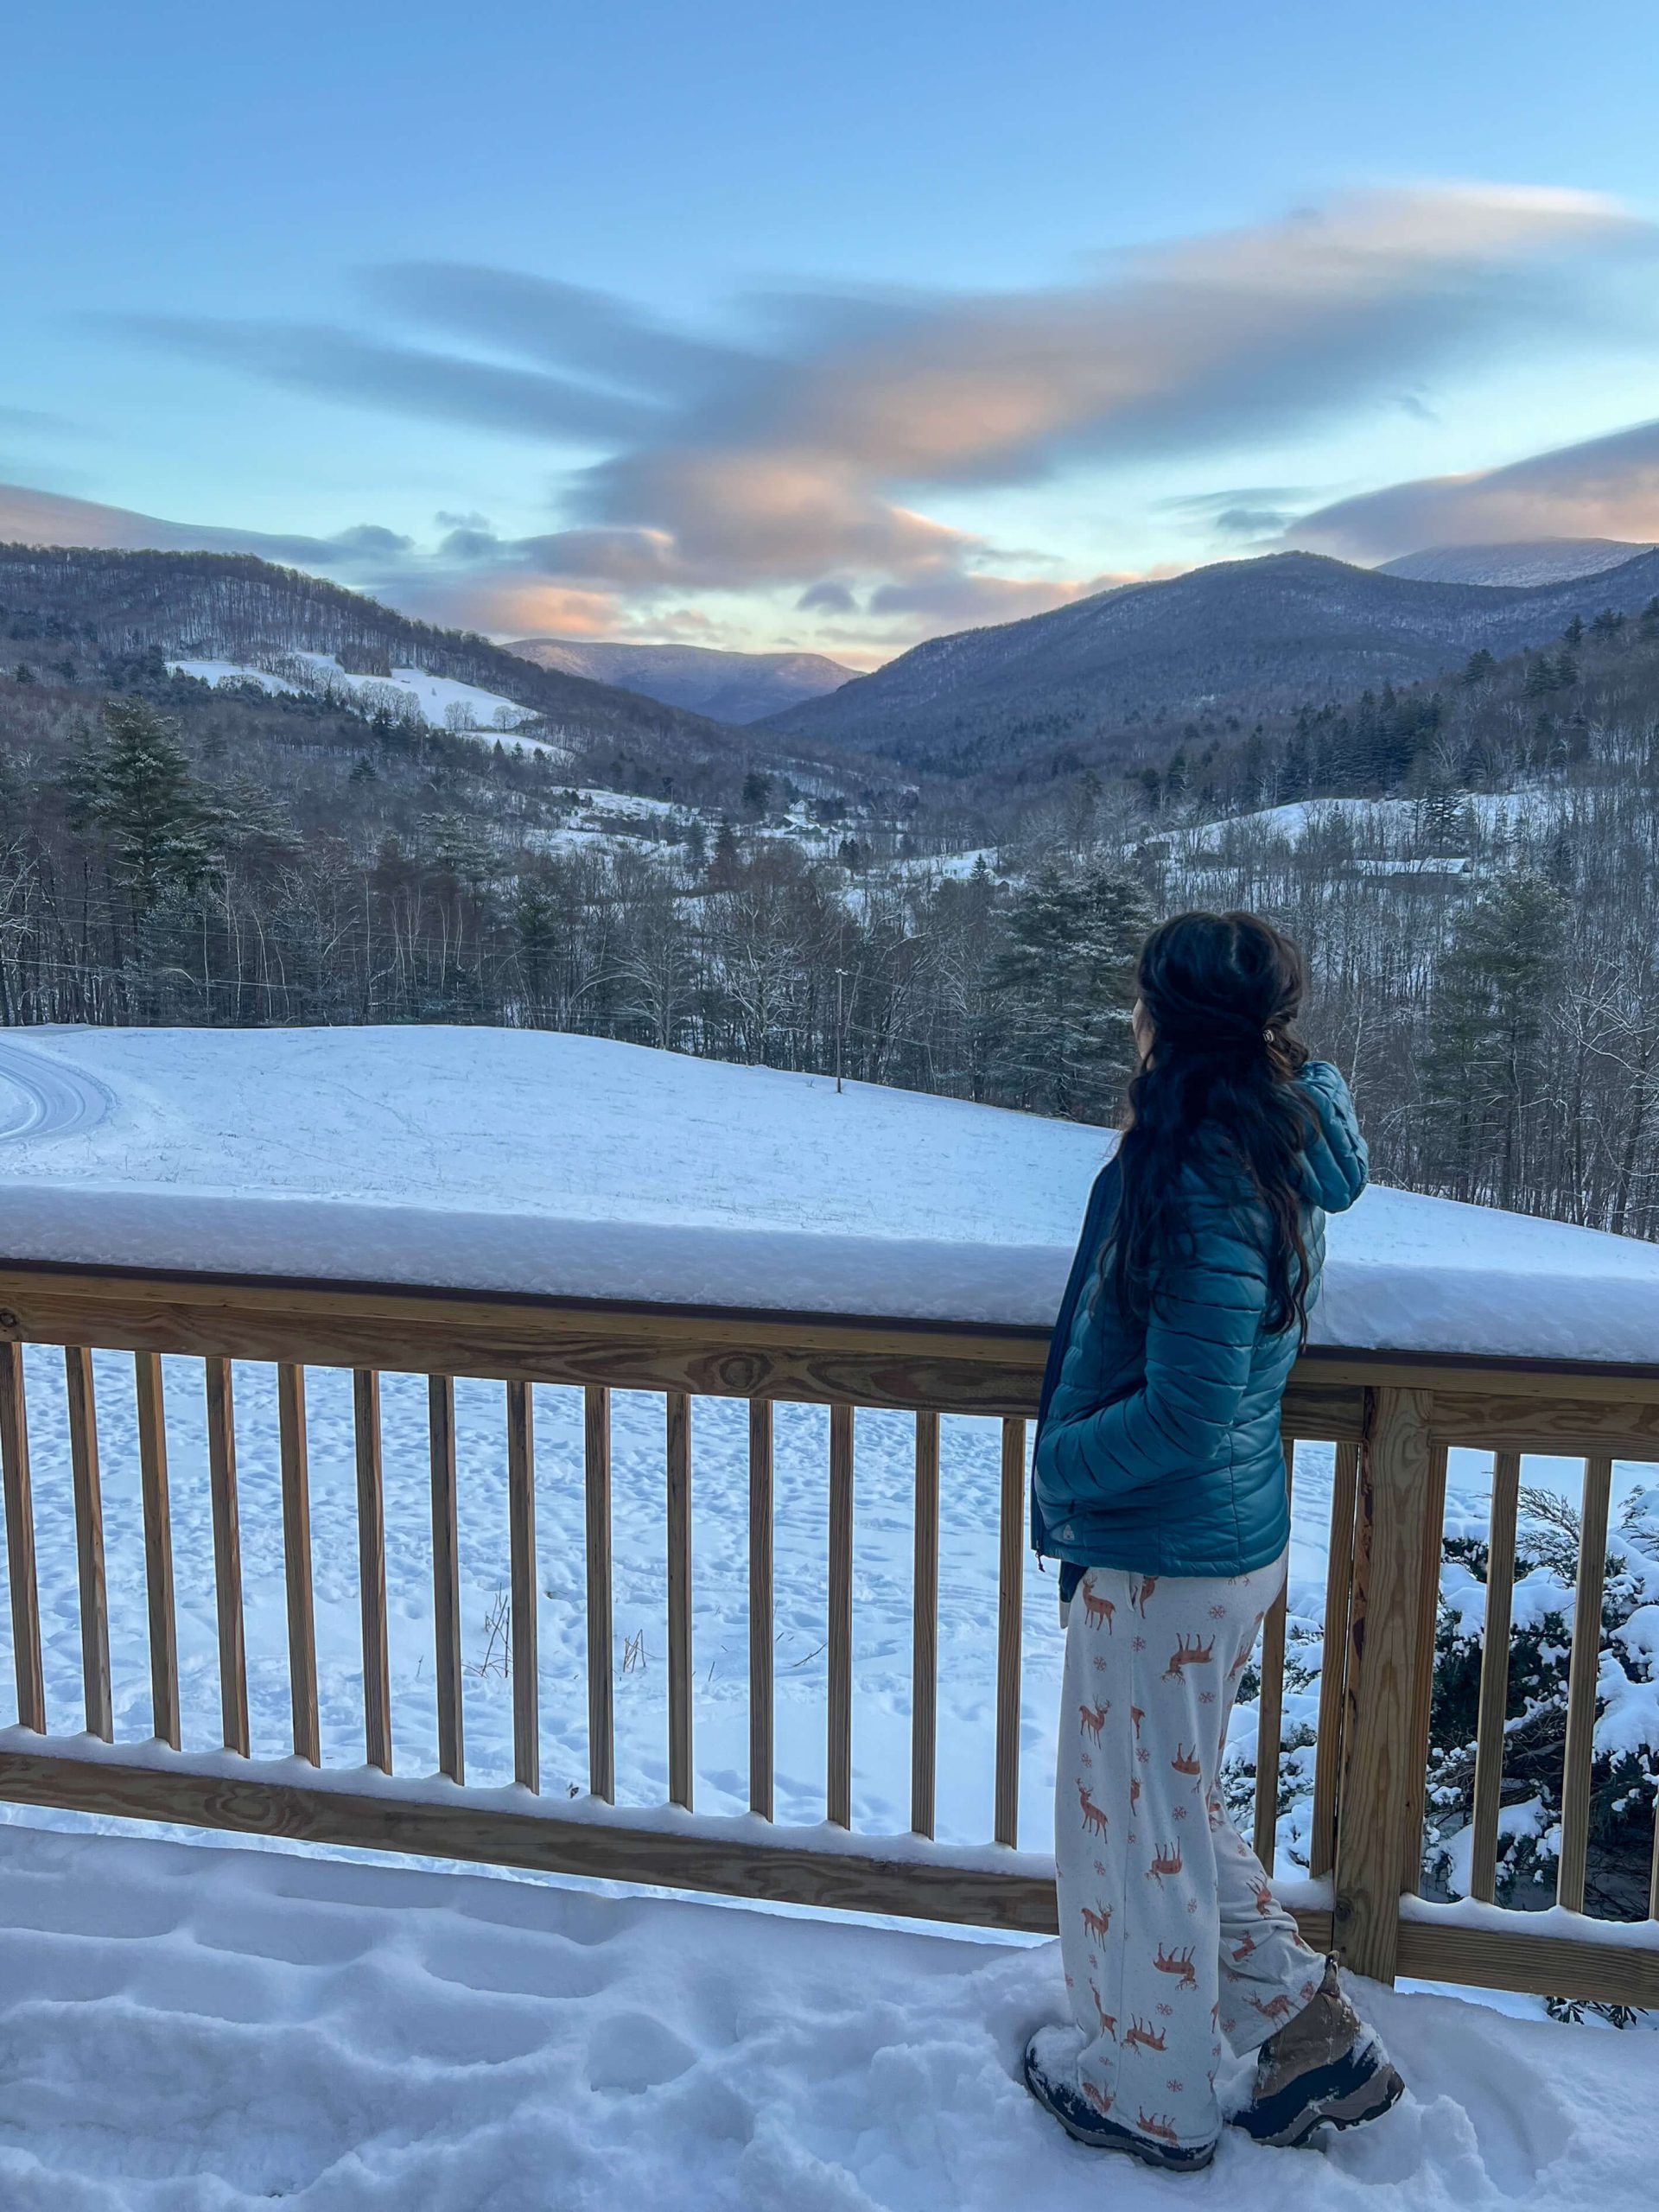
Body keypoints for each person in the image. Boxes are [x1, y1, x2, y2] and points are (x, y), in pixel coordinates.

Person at [1022, 910, 1402, 2172]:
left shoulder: (1197, 1167)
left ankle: (1151, 2099)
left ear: (1162, 1019)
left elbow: (1187, 1403)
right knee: (1165, 1811)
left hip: (1166, 1555)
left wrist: (1061, 1463)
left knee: (1136, 1833)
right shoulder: (1263, 1134)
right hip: (1217, 1546)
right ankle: (1310, 2042)